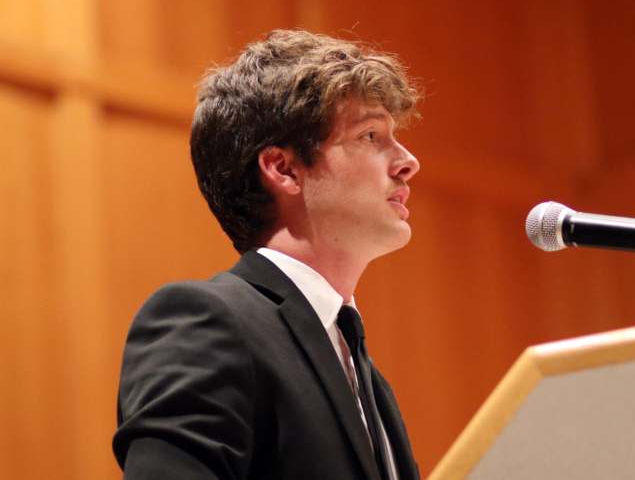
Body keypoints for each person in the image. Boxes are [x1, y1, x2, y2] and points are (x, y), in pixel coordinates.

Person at [113, 29, 422, 480]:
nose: (408, 160)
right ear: (283, 169)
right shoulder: (207, 322)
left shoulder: (367, 378)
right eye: (370, 134)